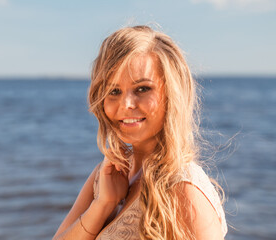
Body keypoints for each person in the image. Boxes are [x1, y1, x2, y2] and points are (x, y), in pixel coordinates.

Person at [53, 25, 227, 240]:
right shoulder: (104, 175)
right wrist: (102, 205)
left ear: (172, 93)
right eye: (113, 91)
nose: (126, 104)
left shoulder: (183, 187)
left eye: (142, 89)